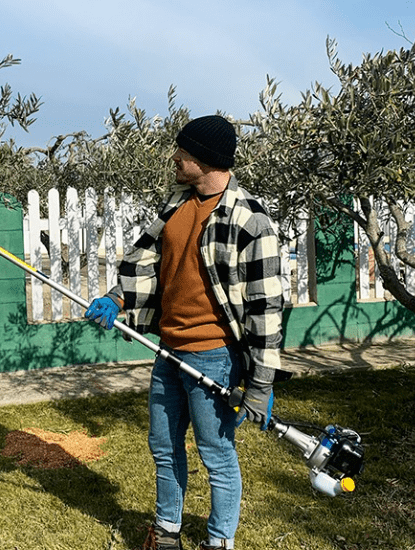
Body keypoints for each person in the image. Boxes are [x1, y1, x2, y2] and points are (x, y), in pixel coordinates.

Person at [85, 115, 286, 550]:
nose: (175, 158)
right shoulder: (176, 205)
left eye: (185, 152)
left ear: (207, 158)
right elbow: (149, 265)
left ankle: (219, 542)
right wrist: (117, 298)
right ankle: (167, 534)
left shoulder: (250, 220)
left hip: (214, 356)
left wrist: (261, 382)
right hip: (168, 351)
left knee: (216, 455)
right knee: (163, 447)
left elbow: (266, 308)